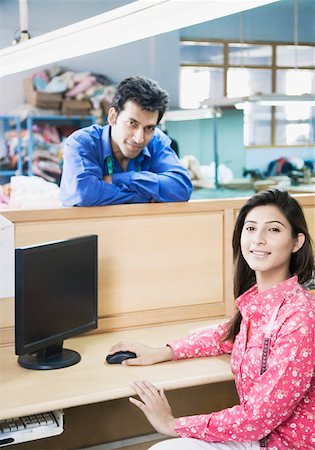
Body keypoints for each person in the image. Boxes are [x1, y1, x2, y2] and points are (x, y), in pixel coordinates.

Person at [108, 189, 315, 450]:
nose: (258, 239)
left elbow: (259, 417)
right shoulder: (258, 302)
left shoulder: (300, 317)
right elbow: (227, 335)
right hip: (260, 437)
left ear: (296, 242)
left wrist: (173, 424)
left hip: (283, 444)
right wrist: (164, 351)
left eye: (273, 230)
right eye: (250, 228)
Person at [60, 76, 192, 206]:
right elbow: (85, 194)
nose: (139, 138)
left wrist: (121, 179)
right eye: (132, 123)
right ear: (112, 117)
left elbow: (182, 187)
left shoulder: (157, 141)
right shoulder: (82, 143)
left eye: (149, 128)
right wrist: (147, 196)